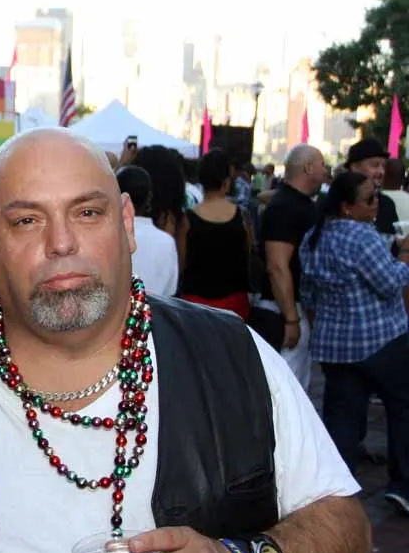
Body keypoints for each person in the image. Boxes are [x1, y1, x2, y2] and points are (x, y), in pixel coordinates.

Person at [0, 129, 370, 553]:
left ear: (126, 223)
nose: (62, 242)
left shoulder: (229, 355)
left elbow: (346, 527)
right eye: (27, 220)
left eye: (87, 213)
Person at [299, 171, 409, 516]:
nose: (376, 204)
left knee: (342, 418)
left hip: (335, 345)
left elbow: (308, 294)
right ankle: (403, 485)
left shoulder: (314, 236)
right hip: (379, 339)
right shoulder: (362, 237)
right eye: (370, 199)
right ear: (347, 206)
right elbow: (391, 284)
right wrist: (405, 254)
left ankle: (336, 493)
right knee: (402, 408)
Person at [253, 144, 328, 381]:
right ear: (308, 168)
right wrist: (291, 317)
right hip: (283, 310)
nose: (325, 171)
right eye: (322, 165)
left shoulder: (295, 203)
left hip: (293, 308)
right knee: (284, 385)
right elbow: (277, 265)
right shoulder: (285, 207)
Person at [179, 149, 252, 320]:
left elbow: (181, 263)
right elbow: (247, 253)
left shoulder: (187, 220)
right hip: (234, 304)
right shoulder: (242, 216)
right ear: (227, 181)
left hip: (194, 304)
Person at [116, 164, 178, 296]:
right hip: (154, 308)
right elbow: (171, 290)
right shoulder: (166, 242)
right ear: (149, 198)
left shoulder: (106, 237)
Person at [346, 137, 398, 247]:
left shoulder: (387, 203)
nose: (381, 171)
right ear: (355, 167)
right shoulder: (334, 202)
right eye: (375, 165)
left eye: (383, 166)